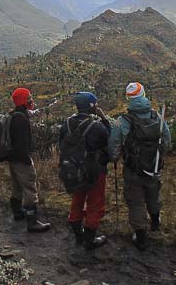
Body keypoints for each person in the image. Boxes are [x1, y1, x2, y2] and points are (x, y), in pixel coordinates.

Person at [108, 82, 171, 251]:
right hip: (154, 165)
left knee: (135, 200)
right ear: (144, 95)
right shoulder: (157, 116)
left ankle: (141, 235)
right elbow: (167, 140)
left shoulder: (122, 121)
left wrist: (114, 159)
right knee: (153, 193)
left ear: (128, 99)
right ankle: (156, 222)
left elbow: (114, 145)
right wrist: (158, 155)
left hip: (133, 169)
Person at [59, 91, 112, 250]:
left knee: (77, 198)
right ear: (92, 106)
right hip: (94, 171)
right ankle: (90, 239)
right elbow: (107, 138)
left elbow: (61, 144)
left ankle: (78, 233)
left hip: (73, 169)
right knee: (95, 203)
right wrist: (104, 118)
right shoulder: (96, 126)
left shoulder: (67, 123)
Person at [8, 87, 51, 232]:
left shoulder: (14, 115)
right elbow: (21, 144)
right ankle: (32, 223)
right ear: (22, 100)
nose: (31, 100)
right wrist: (27, 160)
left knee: (16, 187)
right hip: (21, 159)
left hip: (12, 158)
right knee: (30, 188)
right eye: (29, 97)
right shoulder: (21, 119)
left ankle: (18, 213)